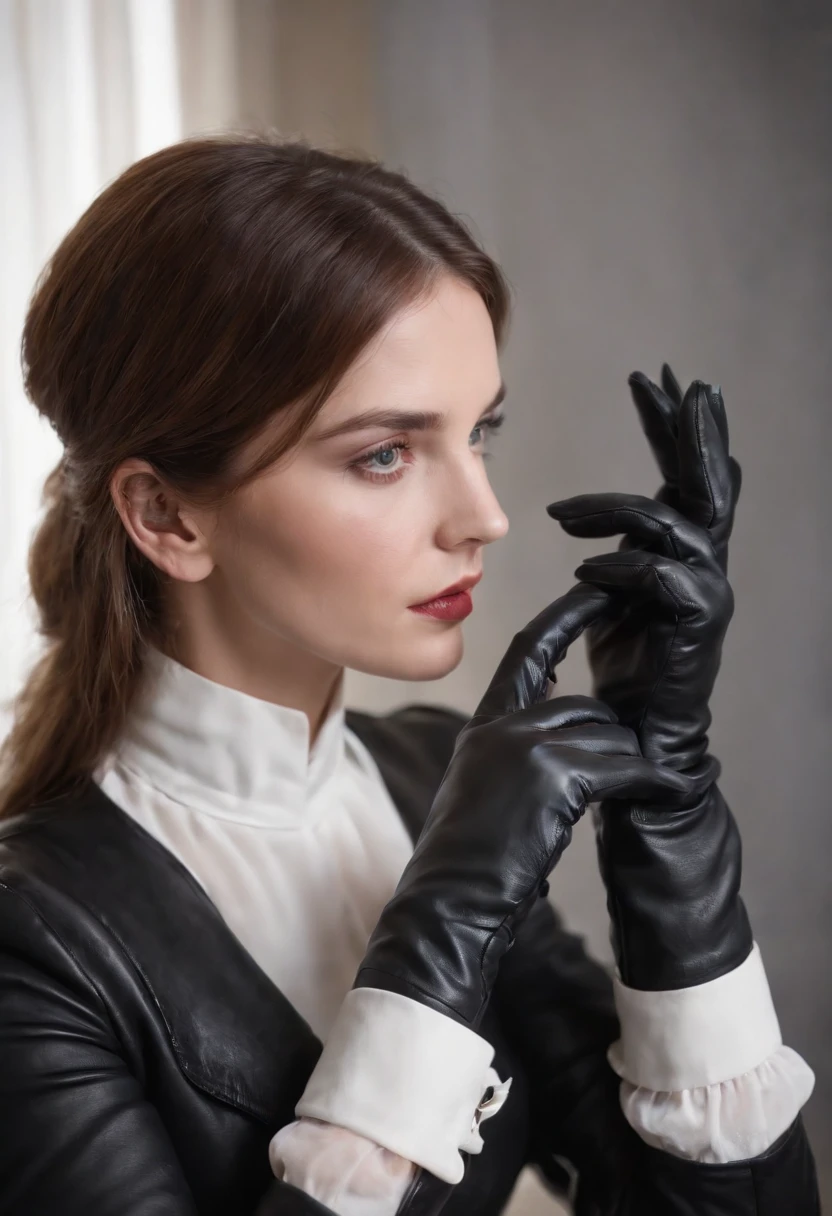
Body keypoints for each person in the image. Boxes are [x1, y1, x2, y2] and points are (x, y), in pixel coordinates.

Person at [0, 135, 819, 1216]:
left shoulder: (437, 775)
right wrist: (447, 917)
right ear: (166, 514)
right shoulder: (34, 937)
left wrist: (667, 807)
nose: (482, 517)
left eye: (478, 431)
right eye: (383, 453)